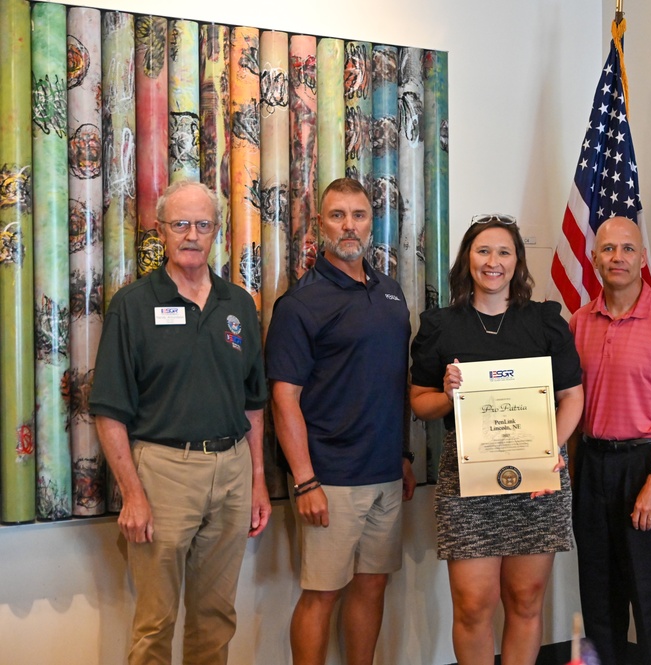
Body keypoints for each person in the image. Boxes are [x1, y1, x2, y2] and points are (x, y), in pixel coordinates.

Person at [90, 180, 270, 665]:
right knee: (155, 621)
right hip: (163, 472)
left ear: (217, 232)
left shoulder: (239, 306)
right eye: (180, 224)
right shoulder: (132, 305)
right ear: (162, 231)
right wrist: (132, 493)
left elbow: (254, 402)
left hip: (232, 470)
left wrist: (256, 481)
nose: (192, 235)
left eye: (203, 224)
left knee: (216, 617)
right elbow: (108, 410)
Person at [410, 214, 584, 665]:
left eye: (504, 252)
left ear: (517, 262)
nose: (493, 262)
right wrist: (448, 396)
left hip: (538, 479)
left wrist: (550, 453)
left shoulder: (545, 322)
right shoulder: (440, 326)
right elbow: (419, 403)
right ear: (468, 260)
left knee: (526, 601)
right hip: (467, 481)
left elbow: (572, 398)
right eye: (483, 251)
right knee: (472, 604)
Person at [266, 177, 416, 665]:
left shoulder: (392, 294)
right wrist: (305, 480)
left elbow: (396, 380)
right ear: (319, 226)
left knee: (372, 588)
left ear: (372, 223)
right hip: (329, 479)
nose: (349, 226)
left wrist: (405, 455)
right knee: (321, 594)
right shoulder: (299, 304)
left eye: (359, 215)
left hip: (387, 475)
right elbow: (284, 398)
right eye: (337, 215)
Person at [569, 217, 651, 665]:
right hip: (591, 466)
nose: (618, 258)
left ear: (643, 258)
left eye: (628, 249)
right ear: (594, 258)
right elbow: (570, 405)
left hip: (646, 466)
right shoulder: (579, 323)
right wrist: (572, 472)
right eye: (608, 249)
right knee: (599, 595)